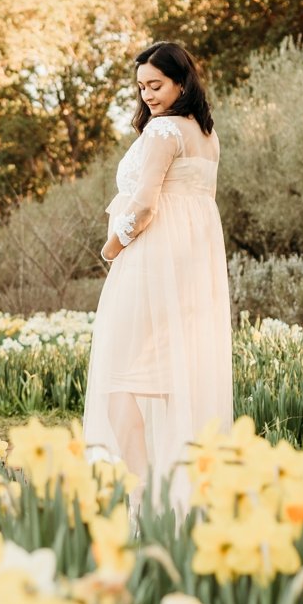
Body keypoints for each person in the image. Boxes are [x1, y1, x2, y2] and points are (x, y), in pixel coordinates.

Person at [82, 41, 232, 522]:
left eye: (156, 85)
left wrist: (112, 248)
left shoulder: (164, 131)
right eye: (142, 86)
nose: (147, 94)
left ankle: (141, 499)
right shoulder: (206, 135)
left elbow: (145, 204)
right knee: (177, 381)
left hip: (151, 263)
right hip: (190, 269)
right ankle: (179, 496)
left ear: (181, 82)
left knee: (116, 381)